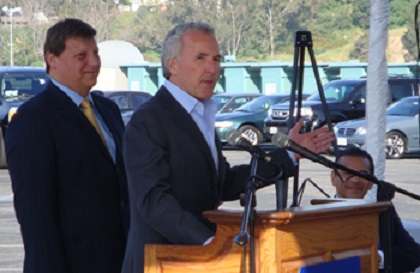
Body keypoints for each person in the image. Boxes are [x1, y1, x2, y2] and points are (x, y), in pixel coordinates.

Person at [121, 21, 335, 273]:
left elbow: (224, 183)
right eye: (200, 58)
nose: (212, 68)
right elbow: (154, 202)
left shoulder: (200, 115)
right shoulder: (149, 119)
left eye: (216, 59)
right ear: (173, 65)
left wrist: (290, 153)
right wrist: (210, 243)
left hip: (202, 260)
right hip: (163, 260)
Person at [5, 18, 129, 273]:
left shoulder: (109, 110)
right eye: (82, 55)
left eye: (95, 53)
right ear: (52, 59)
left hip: (122, 260)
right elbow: (36, 215)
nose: (94, 63)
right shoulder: (34, 119)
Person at [330, 147, 420, 273]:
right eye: (348, 173)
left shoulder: (383, 211)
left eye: (363, 174)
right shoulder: (315, 216)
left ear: (371, 182)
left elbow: (413, 253)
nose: (355, 180)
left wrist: (377, 257)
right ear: (333, 178)